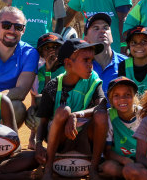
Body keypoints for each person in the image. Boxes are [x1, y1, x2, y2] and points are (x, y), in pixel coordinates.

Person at [34, 38, 108, 180]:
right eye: (85, 60)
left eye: (91, 60)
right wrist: (38, 144)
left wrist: (76, 115)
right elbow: (42, 122)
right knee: (63, 111)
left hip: (84, 140)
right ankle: (48, 169)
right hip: (60, 141)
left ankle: (93, 168)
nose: (90, 65)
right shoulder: (53, 86)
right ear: (68, 63)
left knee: (101, 114)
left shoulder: (93, 80)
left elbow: (101, 106)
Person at [26, 32, 65, 150]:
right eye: (47, 48)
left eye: (55, 47)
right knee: (36, 117)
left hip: (67, 108)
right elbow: (45, 94)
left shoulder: (68, 66)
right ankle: (41, 142)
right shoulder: (43, 70)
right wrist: (48, 70)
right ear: (41, 53)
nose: (52, 51)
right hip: (51, 109)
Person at [101, 77, 143, 178]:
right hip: (121, 161)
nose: (122, 99)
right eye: (116, 95)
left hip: (143, 160)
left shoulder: (143, 115)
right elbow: (107, 151)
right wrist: (125, 161)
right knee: (108, 167)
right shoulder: (109, 116)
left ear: (134, 96)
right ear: (110, 99)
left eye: (127, 95)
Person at [84, 13, 128, 96]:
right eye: (96, 28)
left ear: (111, 36)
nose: (102, 31)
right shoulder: (81, 66)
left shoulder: (126, 63)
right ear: (86, 39)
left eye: (106, 27)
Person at [118, 26, 147, 95]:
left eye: (144, 41)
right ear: (129, 46)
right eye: (134, 42)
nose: (138, 45)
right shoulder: (123, 65)